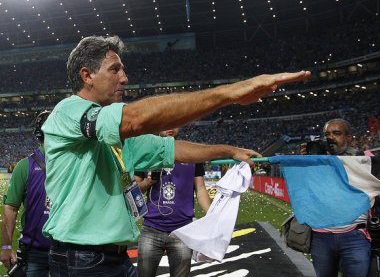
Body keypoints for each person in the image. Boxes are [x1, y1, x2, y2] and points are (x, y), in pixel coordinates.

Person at [41, 35, 311, 277]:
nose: (124, 77)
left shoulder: (114, 135)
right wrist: (229, 93)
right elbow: (134, 119)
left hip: (112, 257)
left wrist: (228, 151)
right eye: (114, 69)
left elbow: (172, 149)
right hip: (82, 258)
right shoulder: (69, 111)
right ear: (87, 75)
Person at [135, 128, 211, 277]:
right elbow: (135, 191)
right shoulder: (146, 153)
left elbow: (201, 190)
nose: (171, 127)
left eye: (175, 124)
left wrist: (213, 216)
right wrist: (149, 181)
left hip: (182, 230)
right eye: (167, 124)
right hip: (151, 228)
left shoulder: (192, 154)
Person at [301, 118, 371, 277]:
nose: (330, 138)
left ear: (349, 137)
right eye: (327, 134)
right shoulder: (317, 161)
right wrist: (305, 163)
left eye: (336, 133)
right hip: (321, 235)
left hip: (354, 235)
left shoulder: (364, 160)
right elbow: (307, 193)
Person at [0, 110, 51, 277]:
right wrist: (6, 247)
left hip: (68, 248)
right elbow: (11, 208)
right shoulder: (25, 166)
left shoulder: (71, 163)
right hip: (35, 251)